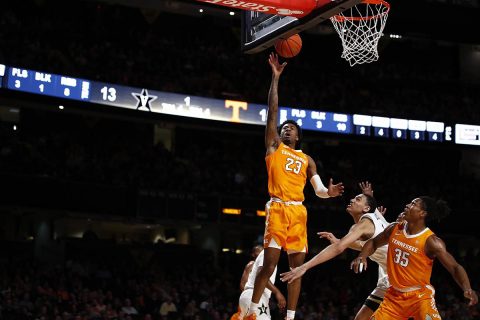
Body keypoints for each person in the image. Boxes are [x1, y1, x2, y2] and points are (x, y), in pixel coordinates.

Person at [243, 53, 344, 320]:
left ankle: (290, 317)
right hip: (277, 208)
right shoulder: (273, 148)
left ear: (298, 136)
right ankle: (253, 312)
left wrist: (329, 193)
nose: (286, 129)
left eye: (291, 128)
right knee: (270, 263)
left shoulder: (307, 159)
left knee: (298, 269)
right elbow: (272, 113)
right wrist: (275, 79)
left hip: (298, 213)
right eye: (283, 127)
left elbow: (319, 190)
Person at [352, 196, 478, 319]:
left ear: (422, 213)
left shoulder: (431, 241)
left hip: (419, 297)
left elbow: (455, 267)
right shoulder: (395, 228)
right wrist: (362, 256)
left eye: (413, 204)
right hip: (394, 296)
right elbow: (373, 242)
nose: (407, 205)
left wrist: (467, 288)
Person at [280, 181, 390, 320]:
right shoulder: (366, 222)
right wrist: (339, 241)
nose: (351, 200)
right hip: (387, 275)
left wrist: (304, 267)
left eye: (358, 199)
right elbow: (364, 245)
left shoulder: (365, 223)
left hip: (404, 274)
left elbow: (338, 249)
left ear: (366, 208)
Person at [232, 247, 286, 320]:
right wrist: (277, 292)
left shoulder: (269, 258)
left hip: (255, 296)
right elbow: (260, 276)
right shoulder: (265, 255)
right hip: (253, 295)